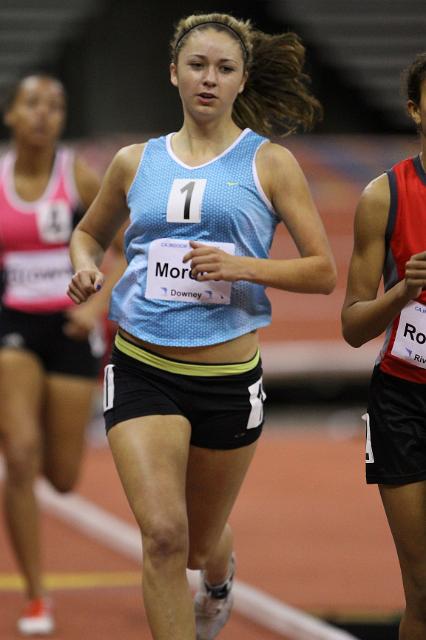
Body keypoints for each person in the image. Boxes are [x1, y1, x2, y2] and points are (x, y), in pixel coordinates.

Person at [68, 13, 336, 640]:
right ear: (173, 74)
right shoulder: (135, 162)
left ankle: (217, 573)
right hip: (142, 368)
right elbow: (88, 233)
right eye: (197, 66)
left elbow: (323, 271)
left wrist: (241, 265)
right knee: (163, 536)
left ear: (242, 81)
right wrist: (84, 270)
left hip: (227, 378)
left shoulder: (269, 164)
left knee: (195, 543)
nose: (208, 79)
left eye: (223, 69)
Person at [0, 73, 123, 636]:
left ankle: (50, 437)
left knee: (65, 478)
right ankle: (35, 594)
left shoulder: (79, 174)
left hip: (72, 327)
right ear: (12, 116)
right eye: (33, 104)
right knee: (20, 455)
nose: (45, 114)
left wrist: (94, 310)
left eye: (56, 104)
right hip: (14, 325)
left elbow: (124, 251)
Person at [342, 52, 426, 640]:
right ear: (415, 109)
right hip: (403, 403)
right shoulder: (384, 195)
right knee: (422, 587)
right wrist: (401, 295)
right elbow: (351, 325)